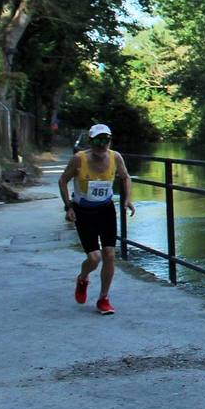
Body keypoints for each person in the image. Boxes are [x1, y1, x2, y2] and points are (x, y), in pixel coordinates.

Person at [58, 123, 134, 315]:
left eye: (106, 140)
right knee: (94, 258)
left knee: (109, 254)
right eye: (98, 140)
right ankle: (83, 278)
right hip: (84, 212)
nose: (102, 144)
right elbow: (63, 180)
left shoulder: (115, 157)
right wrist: (68, 206)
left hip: (106, 210)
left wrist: (127, 199)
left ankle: (104, 298)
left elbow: (125, 177)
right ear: (90, 141)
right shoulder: (79, 159)